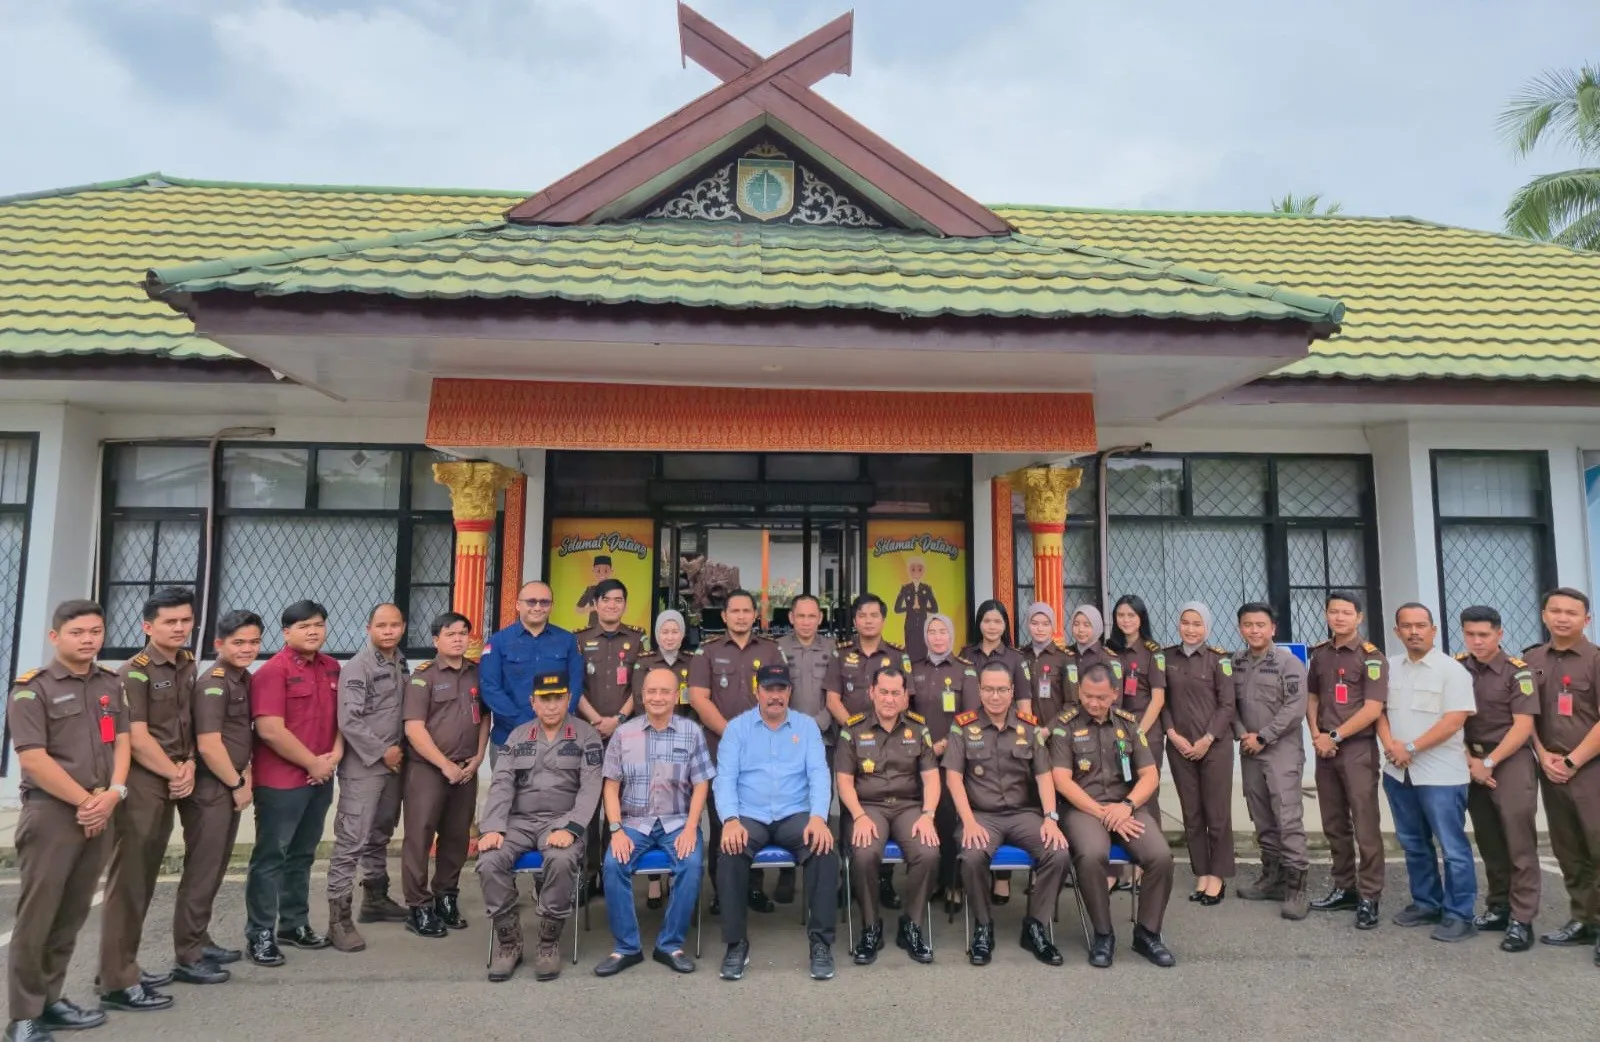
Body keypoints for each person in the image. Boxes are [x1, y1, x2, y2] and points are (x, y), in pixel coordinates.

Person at [6, 600, 129, 1041]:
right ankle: (23, 1016)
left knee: (72, 912)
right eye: (78, 632)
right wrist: (86, 802)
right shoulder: (30, 689)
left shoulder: (110, 684)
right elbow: (34, 760)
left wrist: (113, 794)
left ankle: (52, 1000)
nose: (88, 639)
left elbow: (121, 742)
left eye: (95, 631)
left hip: (101, 808)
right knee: (37, 918)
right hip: (52, 814)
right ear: (55, 637)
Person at [98, 587, 196, 1013]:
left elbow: (189, 723)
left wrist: (189, 762)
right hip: (143, 783)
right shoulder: (131, 672)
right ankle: (117, 981)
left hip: (174, 776)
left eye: (185, 620)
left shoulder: (187, 663)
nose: (179, 628)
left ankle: (123, 966)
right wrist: (175, 771)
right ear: (147, 626)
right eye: (169, 621)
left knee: (146, 880)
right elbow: (135, 738)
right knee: (130, 883)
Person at [714, 663, 838, 982]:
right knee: (729, 852)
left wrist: (818, 818)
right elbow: (724, 779)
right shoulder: (737, 729)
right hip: (749, 815)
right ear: (757, 691)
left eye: (781, 689)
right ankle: (735, 944)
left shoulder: (807, 727)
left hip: (794, 814)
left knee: (824, 849)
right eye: (769, 689)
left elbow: (819, 775)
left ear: (789, 693)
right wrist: (729, 819)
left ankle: (821, 944)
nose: (775, 696)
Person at [477, 673, 603, 983]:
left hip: (561, 821)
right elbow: (502, 783)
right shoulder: (518, 736)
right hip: (518, 822)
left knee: (561, 860)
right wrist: (492, 827)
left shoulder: (586, 735)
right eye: (544, 699)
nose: (550, 705)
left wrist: (572, 829)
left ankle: (548, 941)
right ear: (533, 702)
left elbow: (590, 788)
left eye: (557, 698)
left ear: (568, 699)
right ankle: (509, 942)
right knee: (490, 861)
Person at [943, 661, 1068, 967]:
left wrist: (1050, 818)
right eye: (988, 689)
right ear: (979, 690)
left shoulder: (1028, 726)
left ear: (1012, 692)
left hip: (1023, 815)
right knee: (972, 856)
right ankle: (983, 927)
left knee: (1059, 852)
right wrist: (969, 822)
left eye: (1001, 689)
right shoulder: (963, 725)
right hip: (982, 815)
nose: (995, 696)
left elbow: (1043, 776)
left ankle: (1036, 926)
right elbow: (953, 778)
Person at [1051, 664, 1177, 968]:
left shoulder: (1128, 725)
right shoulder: (1063, 725)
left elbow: (1149, 775)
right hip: (1083, 809)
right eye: (1088, 696)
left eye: (1101, 697)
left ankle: (1147, 933)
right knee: (1092, 854)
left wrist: (1127, 806)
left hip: (1126, 807)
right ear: (1079, 691)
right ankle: (1103, 933)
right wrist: (1102, 812)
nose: (1093, 703)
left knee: (1160, 857)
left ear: (1115, 695)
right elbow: (1061, 780)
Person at [594, 665, 712, 977]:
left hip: (677, 821)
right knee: (612, 863)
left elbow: (701, 783)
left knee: (691, 863)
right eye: (651, 691)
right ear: (642, 696)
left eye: (664, 691)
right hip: (634, 821)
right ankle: (626, 947)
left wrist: (691, 828)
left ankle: (670, 944)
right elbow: (611, 786)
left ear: (677, 696)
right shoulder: (623, 733)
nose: (657, 697)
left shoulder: (692, 732)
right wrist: (616, 829)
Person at [244, 600, 342, 968]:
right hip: (281, 781)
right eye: (304, 627)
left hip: (320, 778)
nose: (313, 631)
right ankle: (260, 933)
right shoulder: (273, 671)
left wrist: (332, 757)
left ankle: (294, 924)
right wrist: (312, 762)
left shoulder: (332, 667)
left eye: (318, 624)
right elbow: (269, 730)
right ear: (287, 633)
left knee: (302, 855)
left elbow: (341, 721)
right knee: (271, 857)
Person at [174, 610, 263, 985]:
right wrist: (237, 783)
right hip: (212, 788)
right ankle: (188, 955)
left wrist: (243, 775)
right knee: (202, 869)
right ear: (219, 644)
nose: (247, 649)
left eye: (254, 642)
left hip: (228, 783)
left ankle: (201, 939)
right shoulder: (214, 682)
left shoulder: (243, 679)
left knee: (217, 866)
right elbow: (209, 745)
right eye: (238, 642)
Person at [1379, 603, 1477, 942]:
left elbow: (1454, 721)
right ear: (1397, 632)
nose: (1414, 631)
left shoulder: (1452, 671)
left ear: (1434, 630)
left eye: (1421, 625)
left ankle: (1460, 914)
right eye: (1406, 626)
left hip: (1441, 776)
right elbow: (1378, 711)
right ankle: (1426, 903)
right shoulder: (1389, 668)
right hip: (1398, 774)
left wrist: (1411, 748)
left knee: (1452, 847)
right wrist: (1392, 745)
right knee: (1413, 844)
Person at [687, 589, 787, 916]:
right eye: (735, 611)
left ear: (755, 615)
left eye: (747, 611)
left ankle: (753, 888)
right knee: (722, 822)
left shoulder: (771, 650)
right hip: (722, 750)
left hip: (764, 752)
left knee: (758, 817)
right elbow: (699, 699)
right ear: (725, 616)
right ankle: (723, 890)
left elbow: (780, 697)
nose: (741, 616)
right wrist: (734, 735)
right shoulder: (707, 652)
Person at [835, 667, 940, 965]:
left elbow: (931, 778)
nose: (889, 699)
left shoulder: (919, 729)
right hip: (868, 807)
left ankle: (912, 924)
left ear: (905, 696)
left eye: (896, 693)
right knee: (865, 854)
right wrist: (857, 815)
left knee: (929, 853)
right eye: (884, 692)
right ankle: (871, 927)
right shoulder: (852, 729)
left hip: (908, 806)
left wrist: (928, 815)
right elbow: (843, 781)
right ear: (871, 692)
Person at [325, 604, 410, 953]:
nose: (388, 631)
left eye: (394, 625)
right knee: (352, 839)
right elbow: (349, 720)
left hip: (394, 763)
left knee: (380, 832)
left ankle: (374, 898)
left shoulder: (400, 661)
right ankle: (338, 920)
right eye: (381, 625)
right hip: (366, 764)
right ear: (368, 628)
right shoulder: (359, 666)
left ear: (403, 627)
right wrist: (382, 752)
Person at [1456, 605, 1540, 952]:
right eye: (1471, 634)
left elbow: (1523, 726)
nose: (1477, 641)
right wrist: (1471, 761)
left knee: (1518, 839)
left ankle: (1523, 919)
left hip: (1509, 758)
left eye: (1484, 635)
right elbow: (1451, 719)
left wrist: (1488, 762)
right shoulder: (1457, 668)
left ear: (1499, 634)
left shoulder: (1517, 672)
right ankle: (1499, 907)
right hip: (1470, 759)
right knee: (1489, 839)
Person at [399, 612, 488, 939]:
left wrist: (478, 757)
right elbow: (414, 728)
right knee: (420, 837)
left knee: (457, 837)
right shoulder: (424, 676)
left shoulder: (477, 674)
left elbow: (485, 719)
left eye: (463, 633)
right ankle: (418, 906)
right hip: (428, 769)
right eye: (450, 634)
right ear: (436, 640)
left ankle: (446, 896)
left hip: (466, 768)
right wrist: (443, 764)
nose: (458, 639)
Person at [1522, 587, 1600, 956]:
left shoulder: (1596, 661)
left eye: (1572, 612)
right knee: (1568, 849)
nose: (1562, 618)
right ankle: (1583, 920)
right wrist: (1542, 754)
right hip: (1550, 768)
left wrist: (1572, 762)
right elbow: (1526, 715)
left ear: (1587, 620)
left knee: (1598, 846)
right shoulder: (1532, 659)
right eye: (1555, 610)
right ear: (1543, 615)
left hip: (1591, 769)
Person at [1305, 591, 1388, 930]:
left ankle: (1370, 895)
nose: (1339, 617)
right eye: (1333, 612)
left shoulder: (1372, 658)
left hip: (1356, 749)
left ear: (1359, 617)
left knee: (1365, 826)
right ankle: (1344, 887)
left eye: (1346, 612)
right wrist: (1316, 735)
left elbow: (1373, 709)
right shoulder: (1320, 655)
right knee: (1334, 823)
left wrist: (1334, 736)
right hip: (1324, 749)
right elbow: (1311, 697)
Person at [830, 593, 911, 911]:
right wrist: (855, 730)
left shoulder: (897, 656)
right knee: (852, 811)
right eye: (862, 615)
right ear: (855, 620)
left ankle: (885, 881)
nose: (867, 620)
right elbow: (833, 699)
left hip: (891, 744)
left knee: (891, 802)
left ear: (883, 619)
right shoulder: (841, 656)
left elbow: (906, 700)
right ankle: (849, 878)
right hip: (853, 744)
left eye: (874, 615)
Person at [1231, 602, 1311, 920]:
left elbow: (1295, 708)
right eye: (1248, 625)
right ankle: (1272, 879)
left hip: (1280, 751)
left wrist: (1263, 736)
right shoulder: (1235, 662)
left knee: (1287, 818)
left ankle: (1297, 889)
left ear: (1273, 628)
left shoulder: (1288, 663)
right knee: (1261, 816)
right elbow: (1229, 704)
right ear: (1240, 628)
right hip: (1249, 750)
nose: (1254, 630)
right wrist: (1242, 734)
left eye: (1260, 625)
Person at [573, 579, 647, 890]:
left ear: (625, 605)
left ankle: (613, 869)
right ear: (596, 603)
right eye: (606, 600)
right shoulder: (578, 640)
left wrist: (618, 719)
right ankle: (589, 875)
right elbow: (574, 687)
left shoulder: (637, 640)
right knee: (590, 805)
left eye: (618, 600)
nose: (612, 605)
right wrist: (596, 720)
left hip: (626, 734)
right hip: (589, 733)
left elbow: (639, 687)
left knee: (621, 802)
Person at [1160, 602, 1235, 905]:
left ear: (1207, 627)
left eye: (1197, 624)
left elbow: (1228, 704)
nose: (1190, 629)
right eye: (1185, 622)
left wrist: (1207, 738)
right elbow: (1160, 700)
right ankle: (1201, 872)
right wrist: (1172, 734)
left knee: (1216, 813)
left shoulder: (1220, 660)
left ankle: (1217, 876)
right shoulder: (1165, 658)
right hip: (1179, 746)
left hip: (1214, 747)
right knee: (1191, 814)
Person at [958, 600, 1032, 907]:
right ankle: (972, 877)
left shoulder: (1016, 658)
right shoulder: (966, 655)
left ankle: (1002, 881)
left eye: (997, 621)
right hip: (973, 737)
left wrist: (1025, 736)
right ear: (979, 624)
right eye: (986, 621)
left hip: (1008, 738)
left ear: (1005, 626)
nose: (991, 627)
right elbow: (962, 700)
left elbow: (1025, 703)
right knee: (976, 801)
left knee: (1010, 800)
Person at [908, 613, 978, 916]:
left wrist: (947, 744)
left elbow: (972, 716)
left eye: (943, 631)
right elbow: (905, 714)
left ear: (951, 636)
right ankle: (933, 880)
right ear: (926, 637)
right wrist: (926, 746)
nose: (937, 637)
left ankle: (955, 883)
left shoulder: (966, 671)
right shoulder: (913, 668)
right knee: (928, 818)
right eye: (932, 631)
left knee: (951, 820)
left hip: (953, 758)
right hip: (920, 757)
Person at [775, 594, 841, 907]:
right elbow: (773, 693)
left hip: (824, 737)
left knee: (820, 806)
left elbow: (834, 692)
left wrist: (817, 725)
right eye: (800, 616)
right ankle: (788, 872)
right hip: (786, 741)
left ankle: (820, 875)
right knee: (787, 805)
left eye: (811, 616)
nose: (806, 621)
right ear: (791, 618)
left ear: (820, 618)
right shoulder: (779, 649)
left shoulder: (831, 649)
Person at [480, 581, 585, 753]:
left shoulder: (568, 640)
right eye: (531, 601)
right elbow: (490, 688)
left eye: (544, 602)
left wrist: (555, 721)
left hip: (557, 739)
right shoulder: (498, 642)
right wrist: (524, 724)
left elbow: (576, 684)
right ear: (517, 605)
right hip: (510, 738)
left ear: (551, 606)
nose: (538, 607)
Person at [1020, 602, 1075, 723]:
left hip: (1057, 733)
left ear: (1053, 626)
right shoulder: (1020, 656)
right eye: (1034, 623)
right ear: (1028, 625)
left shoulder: (1065, 658)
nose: (1040, 629)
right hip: (1024, 731)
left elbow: (1072, 704)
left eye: (1046, 624)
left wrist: (1049, 730)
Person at [893, 557, 938, 662]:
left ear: (924, 571)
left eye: (920, 569)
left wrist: (923, 608)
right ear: (909, 571)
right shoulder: (905, 588)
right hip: (910, 624)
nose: (916, 572)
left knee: (923, 649)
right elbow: (897, 609)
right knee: (910, 650)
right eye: (913, 569)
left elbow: (935, 608)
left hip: (923, 623)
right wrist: (909, 607)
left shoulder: (927, 588)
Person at [575, 555, 615, 630]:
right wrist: (594, 608)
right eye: (598, 571)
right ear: (593, 571)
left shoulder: (616, 590)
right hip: (593, 628)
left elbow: (625, 609)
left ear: (611, 571)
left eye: (606, 571)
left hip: (612, 628)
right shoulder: (591, 590)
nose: (602, 574)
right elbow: (578, 609)